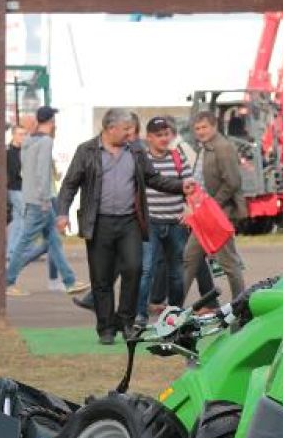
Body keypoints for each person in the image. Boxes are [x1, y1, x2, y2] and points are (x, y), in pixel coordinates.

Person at [56, 107, 187, 344]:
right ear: (110, 128)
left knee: (134, 269)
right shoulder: (86, 150)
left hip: (130, 222)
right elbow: (69, 184)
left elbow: (153, 178)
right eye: (126, 129)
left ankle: (126, 322)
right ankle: (106, 328)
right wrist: (62, 213)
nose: (131, 134)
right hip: (99, 222)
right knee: (101, 277)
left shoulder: (136, 151)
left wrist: (181, 186)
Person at [6, 107, 87, 297]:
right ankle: (8, 281)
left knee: (53, 240)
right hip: (41, 200)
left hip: (30, 196)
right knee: (26, 240)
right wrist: (44, 199)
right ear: (51, 121)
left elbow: (26, 171)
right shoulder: (46, 142)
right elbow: (42, 172)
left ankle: (69, 280)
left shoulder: (28, 141)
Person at [135, 116, 194, 327]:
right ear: (149, 137)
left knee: (177, 271)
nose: (163, 138)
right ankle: (140, 314)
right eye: (158, 135)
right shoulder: (142, 159)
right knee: (146, 270)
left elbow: (191, 185)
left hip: (176, 223)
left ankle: (175, 311)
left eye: (166, 134)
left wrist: (189, 208)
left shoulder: (178, 157)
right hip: (150, 223)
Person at [183, 110, 246, 303]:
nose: (200, 131)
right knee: (189, 260)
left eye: (204, 127)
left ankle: (241, 307)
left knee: (229, 265)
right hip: (205, 214)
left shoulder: (223, 147)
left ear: (214, 126)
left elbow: (233, 182)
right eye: (197, 128)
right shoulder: (205, 147)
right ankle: (174, 309)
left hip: (219, 214)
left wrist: (212, 206)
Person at [6, 124, 26, 260]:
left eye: (24, 134)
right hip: (15, 188)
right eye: (19, 134)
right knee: (25, 217)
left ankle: (12, 251)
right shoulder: (9, 152)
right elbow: (15, 172)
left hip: (24, 188)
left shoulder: (24, 150)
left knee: (18, 219)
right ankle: (16, 250)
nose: (22, 137)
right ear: (13, 135)